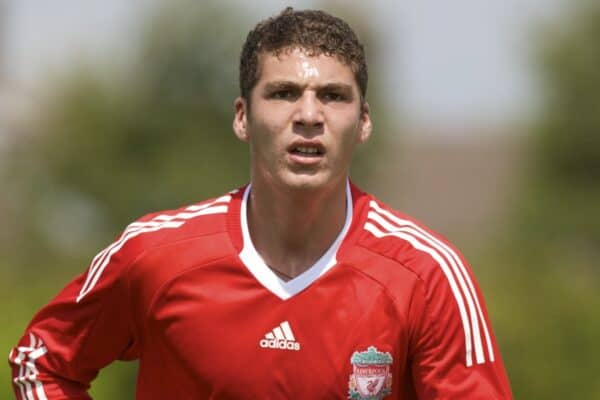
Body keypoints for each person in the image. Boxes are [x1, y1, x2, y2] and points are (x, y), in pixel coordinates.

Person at [8, 7, 513, 400]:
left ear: (363, 122)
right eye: (284, 93)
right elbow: (42, 361)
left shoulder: (426, 277)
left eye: (334, 96)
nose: (309, 115)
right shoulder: (156, 256)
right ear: (242, 117)